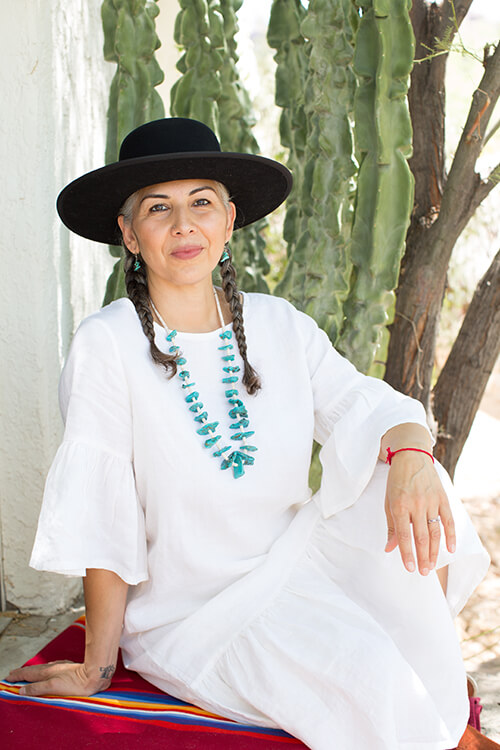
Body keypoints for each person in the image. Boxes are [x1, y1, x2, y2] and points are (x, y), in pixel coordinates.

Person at [7, 118, 495, 750]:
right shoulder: (108, 343)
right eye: (159, 208)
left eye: (201, 203)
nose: (185, 226)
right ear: (128, 233)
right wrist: (99, 664)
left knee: (406, 467)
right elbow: (106, 512)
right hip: (198, 611)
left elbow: (360, 403)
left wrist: (411, 452)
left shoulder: (277, 324)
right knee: (376, 684)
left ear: (229, 219)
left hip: (293, 559)